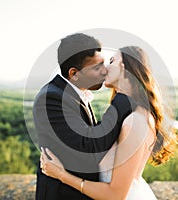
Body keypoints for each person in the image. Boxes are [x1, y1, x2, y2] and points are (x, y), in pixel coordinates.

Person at [40, 46, 178, 199]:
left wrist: (61, 174)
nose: (105, 67)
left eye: (112, 61)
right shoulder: (126, 113)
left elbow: (115, 195)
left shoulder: (135, 121)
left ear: (125, 68)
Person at [34, 33, 137, 200]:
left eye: (104, 63)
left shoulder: (75, 93)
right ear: (74, 73)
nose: (105, 71)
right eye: (97, 67)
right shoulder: (52, 98)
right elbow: (90, 147)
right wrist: (122, 97)